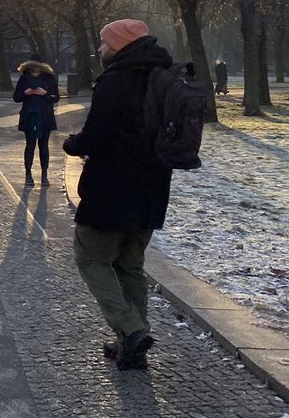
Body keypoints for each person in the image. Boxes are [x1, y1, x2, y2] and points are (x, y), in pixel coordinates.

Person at [63, 19, 174, 371]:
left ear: (119, 45)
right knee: (130, 266)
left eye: (104, 43)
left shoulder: (116, 80)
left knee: (90, 258)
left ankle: (132, 328)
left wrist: (73, 144)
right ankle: (133, 346)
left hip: (112, 191)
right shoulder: (163, 78)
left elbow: (97, 135)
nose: (99, 49)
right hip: (152, 189)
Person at [14, 53, 60, 186]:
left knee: (44, 146)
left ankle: (44, 175)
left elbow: (55, 97)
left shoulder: (49, 78)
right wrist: (25, 93)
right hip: (29, 115)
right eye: (33, 69)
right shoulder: (24, 78)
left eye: (37, 69)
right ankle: (28, 174)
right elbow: (16, 98)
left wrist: (45, 94)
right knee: (30, 145)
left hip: (45, 116)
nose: (35, 71)